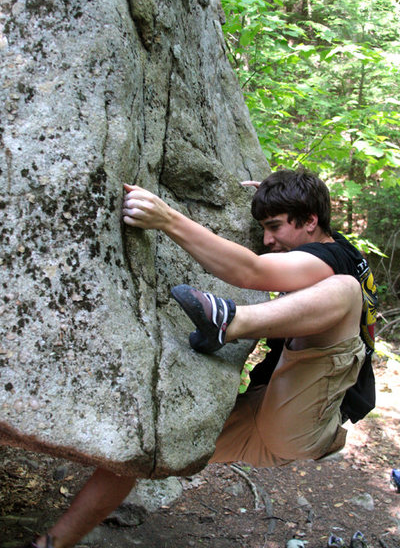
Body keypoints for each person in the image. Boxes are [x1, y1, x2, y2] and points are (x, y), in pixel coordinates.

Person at [22, 169, 377, 548]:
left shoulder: (329, 262)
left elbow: (250, 271)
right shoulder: (343, 250)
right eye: (263, 228)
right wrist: (271, 197)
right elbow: (297, 241)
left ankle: (231, 322)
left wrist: (167, 218)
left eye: (274, 226)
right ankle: (52, 544)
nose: (267, 239)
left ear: (310, 221)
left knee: (346, 291)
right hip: (269, 417)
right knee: (146, 450)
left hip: (309, 419)